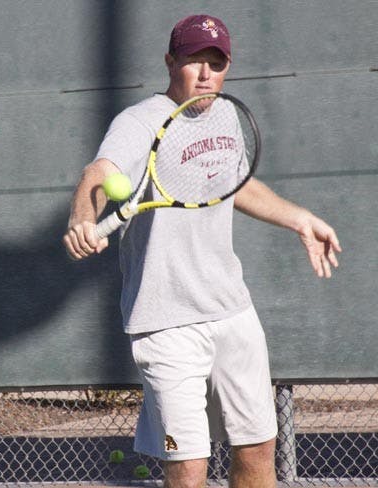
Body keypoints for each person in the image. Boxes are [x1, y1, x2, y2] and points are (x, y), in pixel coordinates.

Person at [62, 13, 342, 488]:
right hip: (165, 323)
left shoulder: (228, 113)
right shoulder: (140, 122)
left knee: (257, 451)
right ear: (172, 62)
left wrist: (298, 217)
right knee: (188, 465)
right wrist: (83, 220)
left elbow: (235, 184)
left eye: (218, 61)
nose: (208, 72)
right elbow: (98, 174)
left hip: (231, 311)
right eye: (196, 60)